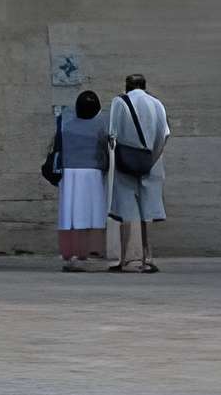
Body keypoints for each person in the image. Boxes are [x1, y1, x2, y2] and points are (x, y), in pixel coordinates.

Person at [105, 72, 168, 272]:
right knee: (147, 211)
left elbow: (111, 134)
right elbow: (164, 134)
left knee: (125, 209)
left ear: (127, 86)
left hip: (126, 160)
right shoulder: (157, 103)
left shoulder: (119, 102)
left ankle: (126, 260)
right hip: (150, 160)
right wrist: (151, 159)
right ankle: (148, 258)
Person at [50, 89, 112, 268]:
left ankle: (70, 253)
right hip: (94, 172)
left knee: (70, 214)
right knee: (93, 213)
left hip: (69, 173)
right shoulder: (104, 122)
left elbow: (57, 145)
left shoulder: (65, 121)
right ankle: (93, 251)